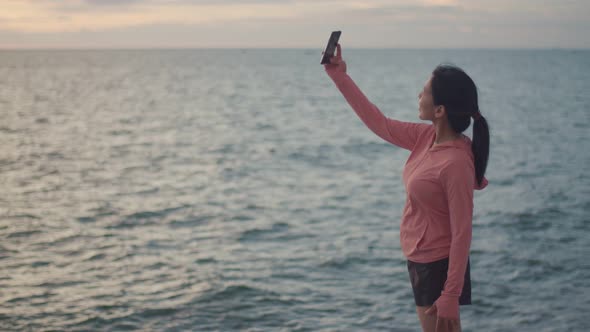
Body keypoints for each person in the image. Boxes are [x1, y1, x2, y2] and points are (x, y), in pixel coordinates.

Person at [324, 44, 489, 332]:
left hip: (437, 265)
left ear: (439, 109)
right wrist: (340, 77)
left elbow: (462, 232)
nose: (419, 95)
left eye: (424, 91)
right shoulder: (426, 137)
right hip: (420, 258)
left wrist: (450, 294)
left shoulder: (456, 163)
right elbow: (379, 123)